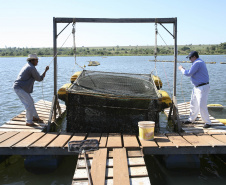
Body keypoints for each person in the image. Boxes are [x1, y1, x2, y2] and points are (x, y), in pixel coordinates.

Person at [13, 54, 49, 126]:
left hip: (20, 87)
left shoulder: (28, 65)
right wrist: (45, 71)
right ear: (32, 60)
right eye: (36, 60)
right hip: (20, 88)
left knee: (31, 102)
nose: (37, 62)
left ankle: (34, 117)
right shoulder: (31, 68)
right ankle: (29, 122)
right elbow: (39, 79)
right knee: (29, 104)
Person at [178, 51, 211, 128]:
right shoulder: (198, 62)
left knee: (201, 105)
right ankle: (191, 119)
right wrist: (185, 70)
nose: (189, 59)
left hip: (202, 87)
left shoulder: (197, 63)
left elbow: (188, 74)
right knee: (193, 103)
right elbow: (191, 72)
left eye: (190, 58)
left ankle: (208, 122)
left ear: (194, 57)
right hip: (197, 87)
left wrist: (181, 69)